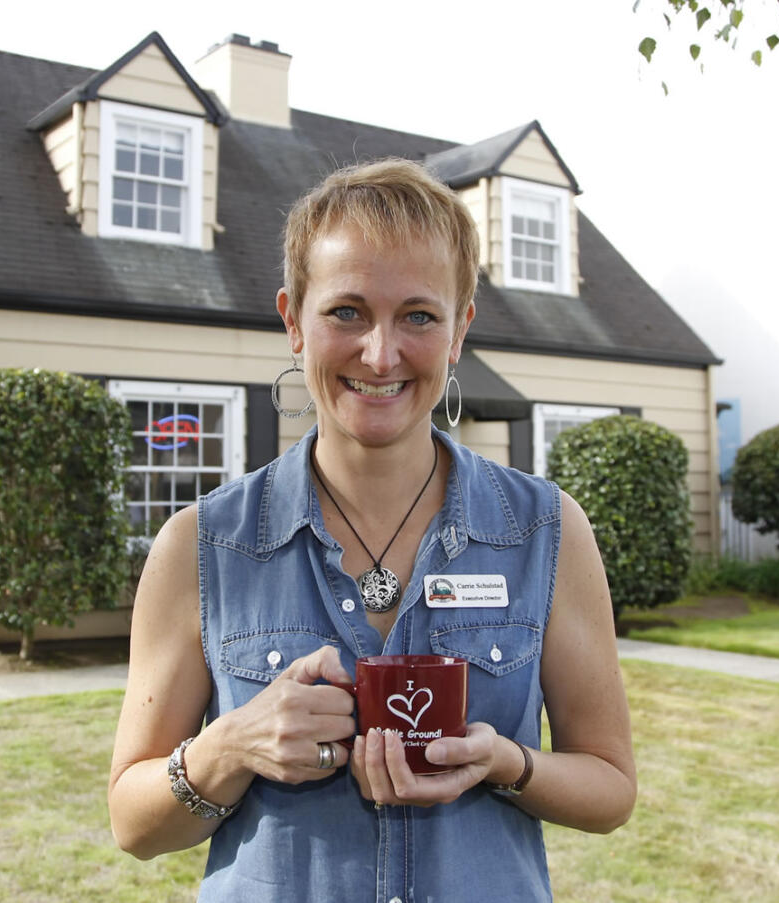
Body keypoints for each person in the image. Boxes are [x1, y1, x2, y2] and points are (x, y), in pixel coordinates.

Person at [108, 158, 636, 901]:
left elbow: (611, 787)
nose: (381, 353)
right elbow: (133, 822)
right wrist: (233, 743)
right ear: (293, 320)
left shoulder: (546, 531)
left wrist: (507, 763)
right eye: (347, 311)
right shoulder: (200, 546)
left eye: (419, 315)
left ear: (460, 332)